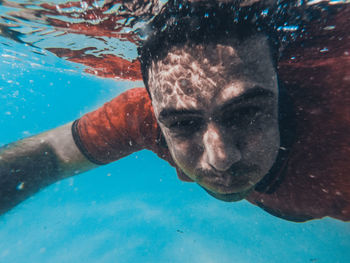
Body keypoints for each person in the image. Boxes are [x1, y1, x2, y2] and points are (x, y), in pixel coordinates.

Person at [0, 0, 349, 222]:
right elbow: (46, 157)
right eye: (183, 124)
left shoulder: (339, 141)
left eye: (245, 113)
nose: (221, 158)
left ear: (280, 87)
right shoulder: (146, 118)